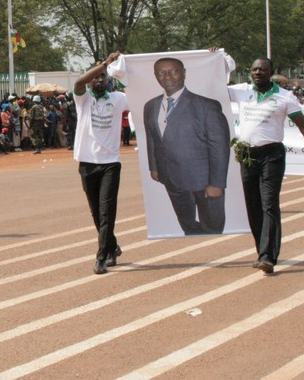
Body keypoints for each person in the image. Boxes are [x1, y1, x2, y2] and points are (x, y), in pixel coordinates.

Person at [226, 56, 304, 275]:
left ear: (271, 72)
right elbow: (211, 84)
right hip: (246, 155)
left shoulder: (285, 97)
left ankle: (268, 256)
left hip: (271, 155)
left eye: (262, 70)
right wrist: (215, 58)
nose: (257, 73)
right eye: (254, 69)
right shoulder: (241, 91)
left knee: (269, 204)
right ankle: (261, 252)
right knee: (253, 206)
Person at [142, 57, 230, 235]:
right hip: (171, 178)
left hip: (204, 180)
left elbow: (220, 147)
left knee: (213, 227)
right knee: (187, 225)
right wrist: (154, 167)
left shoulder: (207, 106)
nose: (167, 76)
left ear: (183, 73)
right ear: (155, 76)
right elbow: (151, 139)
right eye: (161, 72)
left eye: (173, 71)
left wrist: (216, 183)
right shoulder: (150, 106)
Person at [74, 53, 131, 274]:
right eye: (95, 77)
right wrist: (104, 64)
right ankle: (112, 246)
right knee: (96, 212)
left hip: (110, 163)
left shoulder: (117, 98)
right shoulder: (83, 99)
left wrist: (123, 68)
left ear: (108, 80)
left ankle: (101, 256)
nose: (99, 81)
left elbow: (135, 91)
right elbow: (79, 82)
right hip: (87, 163)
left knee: (107, 211)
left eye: (103, 77)